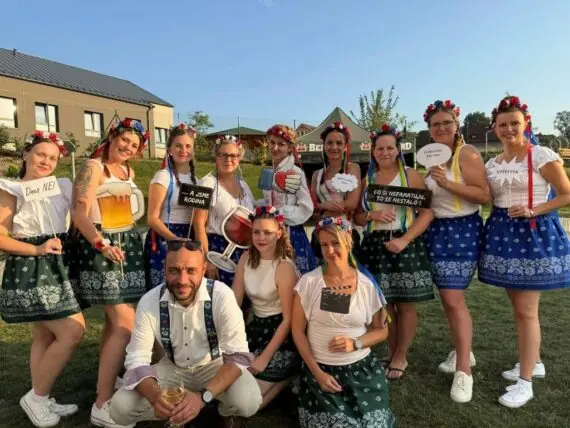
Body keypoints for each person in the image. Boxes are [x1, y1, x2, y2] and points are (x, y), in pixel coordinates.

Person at [108, 239, 262, 427]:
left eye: (191, 271)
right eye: (174, 271)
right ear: (165, 269)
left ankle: (214, 408)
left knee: (248, 401)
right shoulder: (149, 301)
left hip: (214, 365)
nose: (182, 281)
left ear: (203, 270)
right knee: (120, 408)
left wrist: (203, 396)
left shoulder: (222, 296)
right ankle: (178, 412)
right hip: (173, 368)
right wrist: (155, 397)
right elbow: (137, 360)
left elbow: (237, 357)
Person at [479, 96, 570, 408]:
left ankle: (526, 382)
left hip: (532, 232)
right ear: (494, 128)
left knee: (526, 311)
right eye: (503, 124)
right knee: (518, 307)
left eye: (514, 123)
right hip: (503, 233)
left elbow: (566, 194)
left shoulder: (540, 155)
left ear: (525, 123)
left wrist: (534, 209)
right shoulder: (492, 164)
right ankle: (536, 362)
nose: (509, 129)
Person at [0, 131, 84, 427]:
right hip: (32, 268)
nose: (46, 161)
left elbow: (81, 211)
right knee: (73, 330)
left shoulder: (61, 185)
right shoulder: (11, 189)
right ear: (25, 154)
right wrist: (37, 249)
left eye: (52, 158)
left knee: (44, 335)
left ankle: (42, 396)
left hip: (58, 263)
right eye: (40, 154)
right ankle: (36, 398)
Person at [71, 118, 149, 427]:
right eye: (125, 140)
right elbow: (79, 212)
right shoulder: (94, 167)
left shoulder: (128, 171)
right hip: (102, 247)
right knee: (125, 326)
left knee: (112, 324)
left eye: (134, 145)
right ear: (112, 137)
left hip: (126, 244)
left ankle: (107, 383)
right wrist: (101, 244)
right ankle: (102, 404)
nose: (128, 147)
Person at [291, 217, 395, 428]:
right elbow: (297, 331)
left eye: (335, 243)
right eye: (324, 245)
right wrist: (318, 374)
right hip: (322, 371)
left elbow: (381, 331)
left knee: (373, 425)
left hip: (360, 370)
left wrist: (355, 343)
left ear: (349, 241)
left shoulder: (366, 284)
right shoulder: (309, 282)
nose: (330, 251)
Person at [354, 123, 434, 381]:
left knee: (405, 303)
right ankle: (391, 350)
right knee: (384, 303)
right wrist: (373, 215)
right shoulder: (368, 180)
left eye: (390, 148)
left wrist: (405, 239)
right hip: (375, 245)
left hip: (404, 242)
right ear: (373, 151)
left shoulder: (410, 176)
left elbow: (427, 213)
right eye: (380, 148)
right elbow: (357, 216)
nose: (385, 152)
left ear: (398, 149)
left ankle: (401, 354)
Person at [423, 100, 489, 403]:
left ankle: (464, 371)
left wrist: (447, 183)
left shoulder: (467, 153)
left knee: (453, 298)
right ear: (429, 129)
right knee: (448, 300)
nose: (441, 128)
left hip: (462, 230)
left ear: (456, 124)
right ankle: (463, 351)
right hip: (436, 230)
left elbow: (483, 195)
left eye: (446, 122)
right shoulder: (430, 156)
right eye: (435, 124)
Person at [232, 205, 301, 409]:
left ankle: (288, 376)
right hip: (256, 327)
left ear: (279, 233)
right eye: (257, 232)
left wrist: (264, 358)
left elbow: (288, 320)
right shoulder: (245, 259)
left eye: (268, 233)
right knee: (233, 386)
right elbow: (234, 305)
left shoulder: (284, 267)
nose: (261, 238)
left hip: (282, 333)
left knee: (250, 402)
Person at [193, 135, 255, 286]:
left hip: (244, 251)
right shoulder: (206, 184)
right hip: (217, 251)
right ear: (216, 156)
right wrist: (207, 258)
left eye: (233, 155)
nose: (228, 159)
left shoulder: (243, 185)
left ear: (239, 158)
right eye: (223, 155)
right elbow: (198, 223)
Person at [145, 123, 198, 289]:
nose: (183, 150)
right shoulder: (163, 176)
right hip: (166, 236)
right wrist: (174, 239)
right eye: (178, 146)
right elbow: (152, 218)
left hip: (190, 236)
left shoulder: (197, 180)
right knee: (165, 290)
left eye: (188, 146)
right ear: (169, 149)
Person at [263, 125, 316, 275]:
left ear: (290, 148)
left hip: (290, 233)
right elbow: (269, 202)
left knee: (292, 276)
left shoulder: (295, 172)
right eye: (272, 143)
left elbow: (306, 207)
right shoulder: (268, 172)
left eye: (281, 144)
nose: (275, 148)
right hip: (269, 231)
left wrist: (279, 212)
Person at [310, 121, 362, 264]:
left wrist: (323, 208)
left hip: (345, 230)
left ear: (345, 147)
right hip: (322, 231)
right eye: (330, 143)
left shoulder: (352, 168)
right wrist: (324, 206)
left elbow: (352, 203)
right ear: (324, 146)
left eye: (339, 143)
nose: (334, 147)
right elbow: (312, 205)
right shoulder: (317, 174)